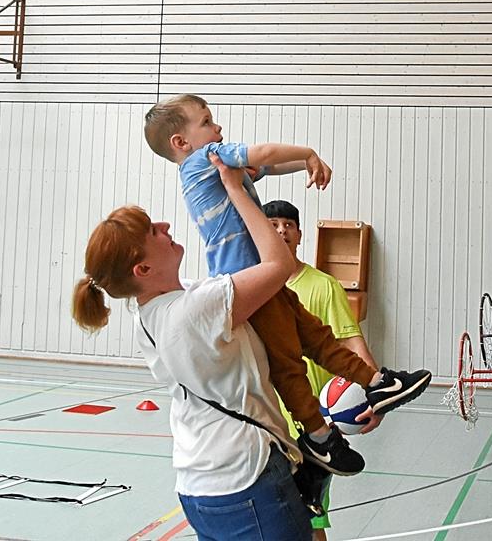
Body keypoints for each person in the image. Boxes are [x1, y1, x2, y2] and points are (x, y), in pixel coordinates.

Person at [143, 94, 431, 475]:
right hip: (249, 276)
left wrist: (306, 164)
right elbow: (262, 150)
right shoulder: (203, 161)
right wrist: (308, 151)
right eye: (208, 121)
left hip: (265, 273)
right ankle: (317, 435)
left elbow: (264, 165)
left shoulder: (217, 167)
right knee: (287, 363)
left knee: (317, 335)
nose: (218, 128)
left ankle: (377, 382)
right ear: (181, 142)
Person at [71, 155, 343, 540]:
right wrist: (234, 189)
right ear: (142, 270)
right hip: (246, 477)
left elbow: (225, 272)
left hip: (198, 482)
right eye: (153, 230)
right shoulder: (197, 309)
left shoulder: (151, 313)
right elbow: (278, 264)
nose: (165, 225)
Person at [264, 199, 382, 541]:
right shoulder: (251, 287)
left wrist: (375, 395)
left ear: (300, 234)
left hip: (312, 431)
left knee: (309, 520)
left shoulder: (323, 286)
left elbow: (352, 344)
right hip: (264, 427)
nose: (281, 230)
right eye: (272, 225)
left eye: (288, 224)